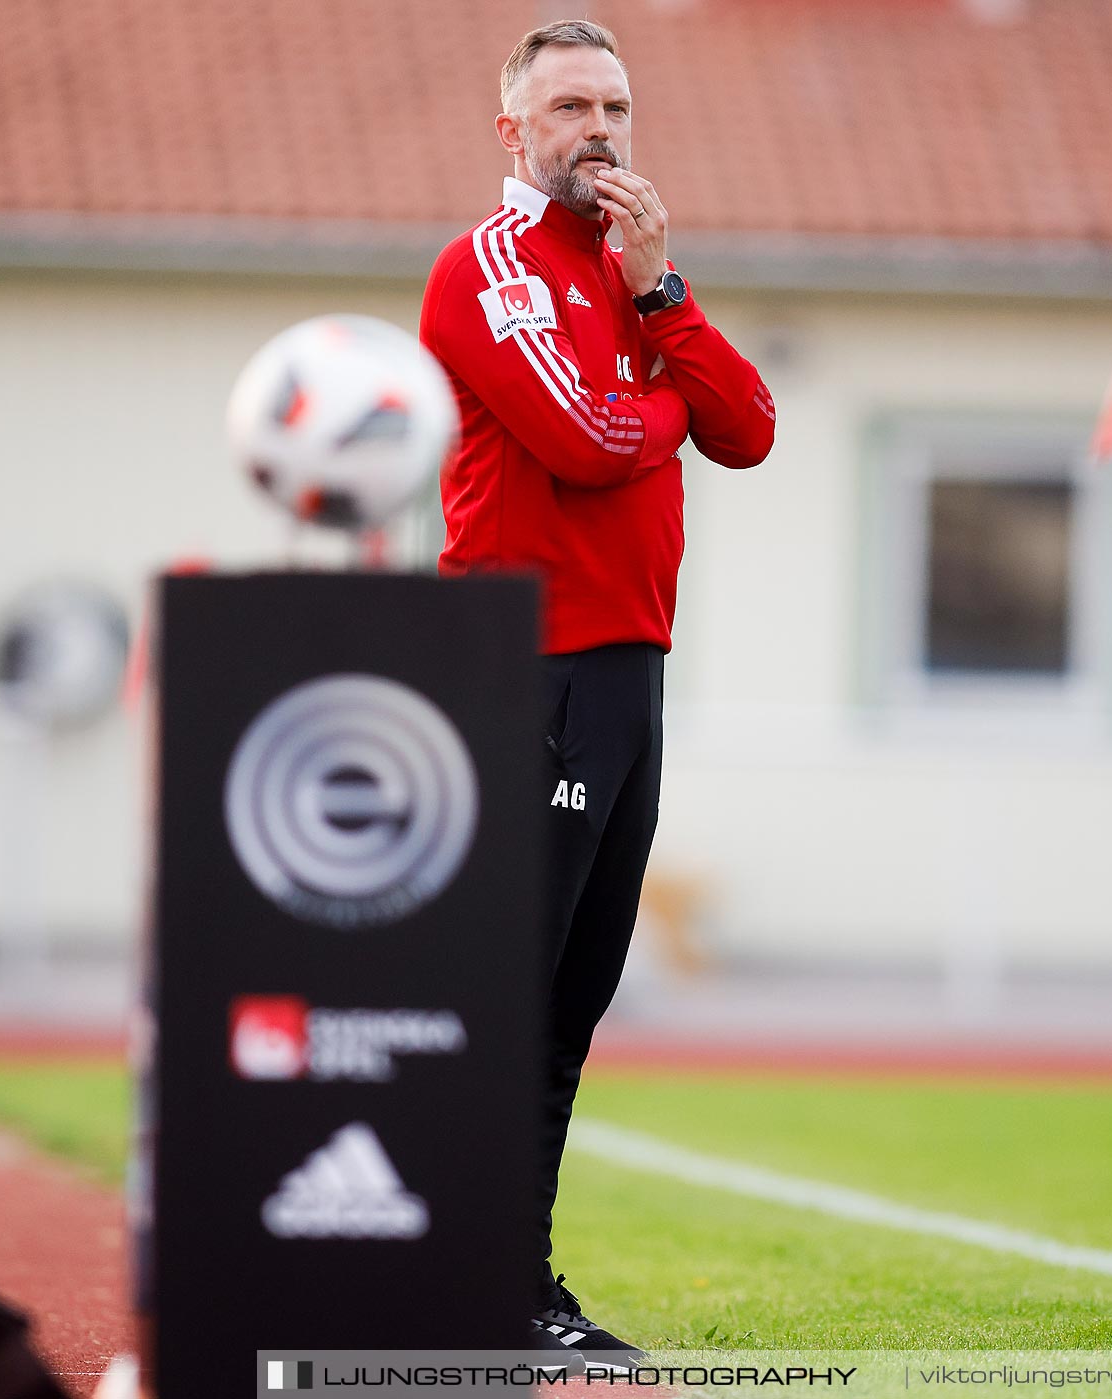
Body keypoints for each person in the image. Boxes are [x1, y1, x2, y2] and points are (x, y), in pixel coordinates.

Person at [418, 18, 776, 1359]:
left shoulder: (635, 278)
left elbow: (749, 427)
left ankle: (516, 1282)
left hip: (629, 669)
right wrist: (665, 393)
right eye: (571, 105)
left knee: (574, 996)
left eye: (617, 103)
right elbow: (590, 437)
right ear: (514, 131)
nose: (601, 128)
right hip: (531, 664)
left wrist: (663, 291)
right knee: (510, 985)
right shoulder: (487, 267)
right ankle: (463, 1279)